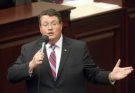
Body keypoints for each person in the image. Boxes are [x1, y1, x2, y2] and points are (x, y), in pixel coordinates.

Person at [7, 9, 133, 93]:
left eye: (53, 23)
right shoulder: (29, 49)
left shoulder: (78, 48)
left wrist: (111, 75)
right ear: (40, 28)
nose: (49, 28)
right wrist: (31, 65)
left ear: (61, 25)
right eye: (45, 24)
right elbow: (11, 76)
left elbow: (93, 73)